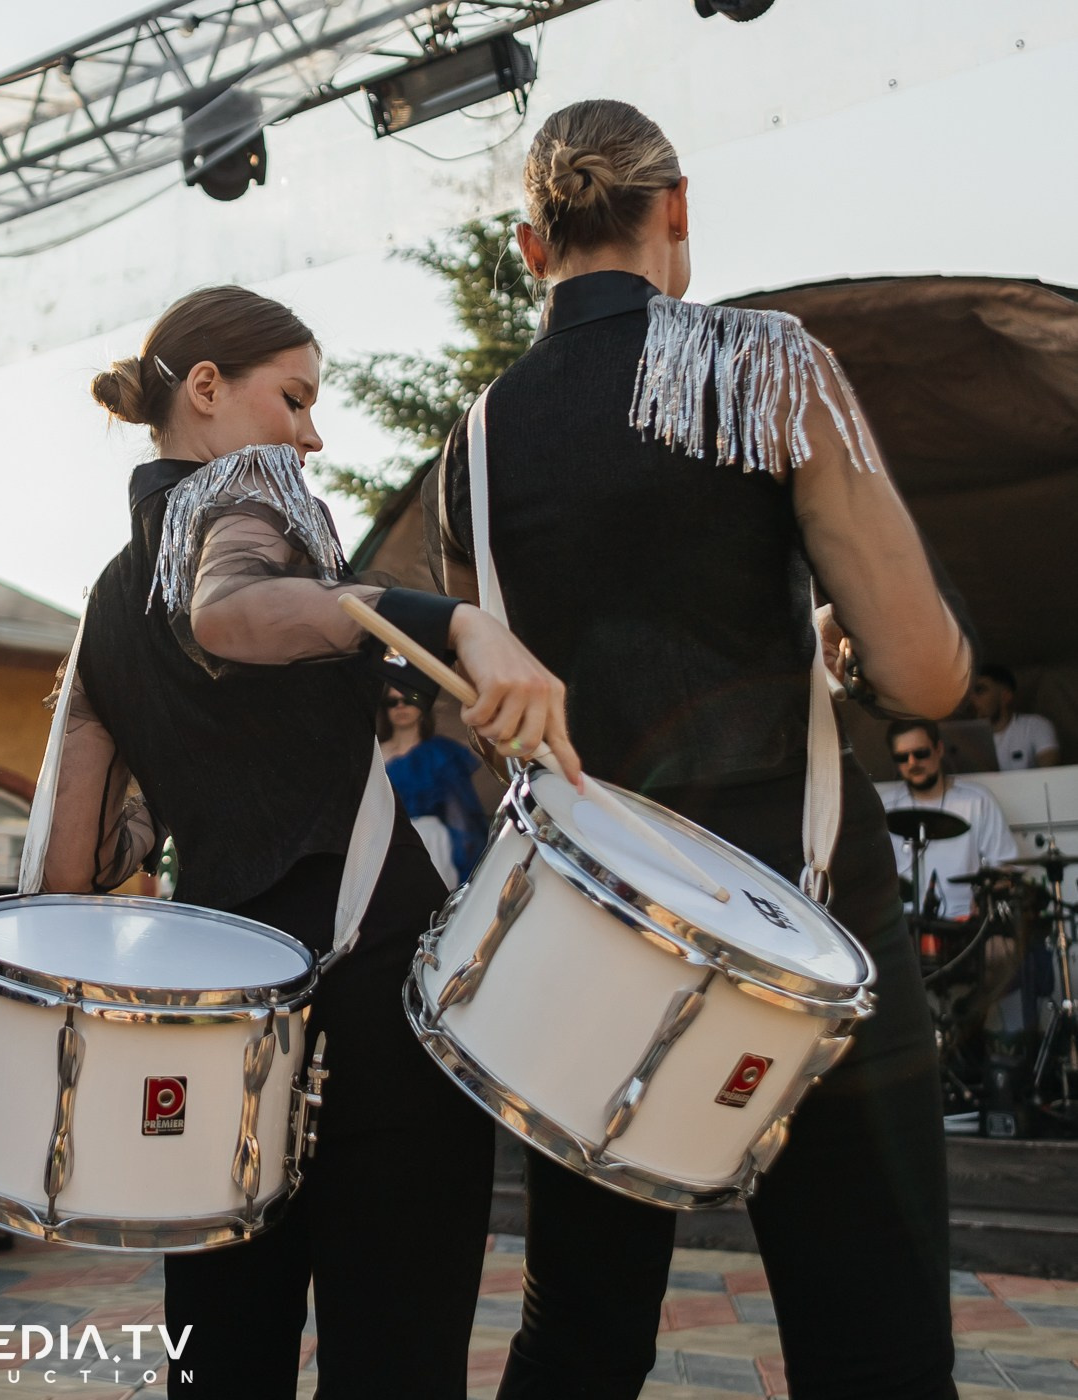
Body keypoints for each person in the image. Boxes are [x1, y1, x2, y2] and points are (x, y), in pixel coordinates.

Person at [427, 99, 970, 1398]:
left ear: (527, 246)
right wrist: (825, 635)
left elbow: (490, 713)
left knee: (579, 1337)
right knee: (876, 1343)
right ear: (677, 214)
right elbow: (927, 676)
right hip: (806, 914)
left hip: (600, 951)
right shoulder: (766, 364)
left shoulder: (478, 442)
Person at [42, 285, 578, 1399]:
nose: (310, 432)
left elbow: (70, 865)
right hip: (369, 988)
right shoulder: (251, 486)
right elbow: (230, 610)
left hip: (224, 1017)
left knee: (226, 1356)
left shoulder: (101, 598)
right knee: (396, 1354)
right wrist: (453, 620)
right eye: (294, 397)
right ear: (205, 390)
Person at [884, 719, 1018, 918]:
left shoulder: (976, 800)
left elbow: (1004, 867)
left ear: (939, 749)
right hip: (905, 925)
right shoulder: (884, 807)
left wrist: (986, 902)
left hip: (965, 922)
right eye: (902, 757)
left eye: (921, 753)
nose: (912, 763)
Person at [381, 686, 489, 887]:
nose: (401, 706)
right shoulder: (375, 754)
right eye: (392, 702)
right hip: (385, 844)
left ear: (422, 704)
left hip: (433, 843)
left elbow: (461, 812)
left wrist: (468, 855)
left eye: (409, 699)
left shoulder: (441, 753)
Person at [971, 664, 1060, 770]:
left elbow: (1049, 773)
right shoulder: (967, 738)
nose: (972, 699)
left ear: (1005, 696)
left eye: (980, 690)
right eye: (969, 694)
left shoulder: (1035, 725)